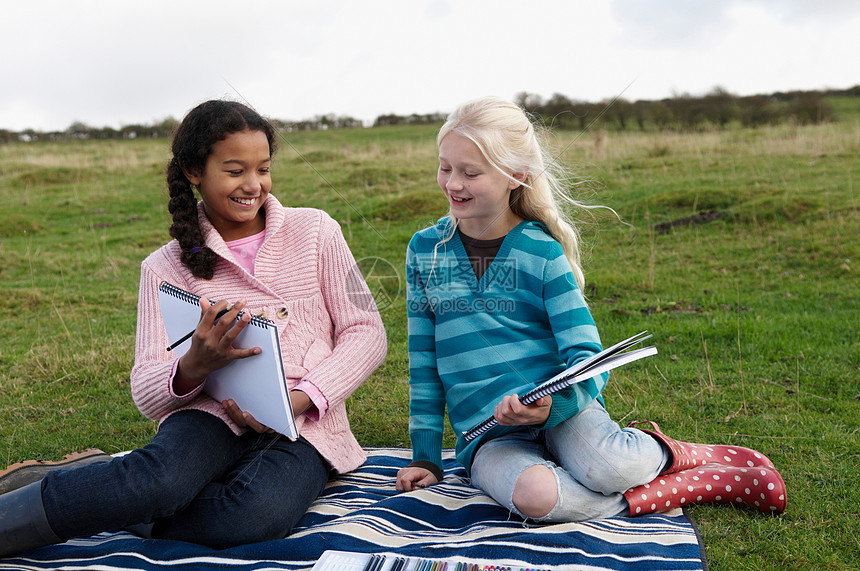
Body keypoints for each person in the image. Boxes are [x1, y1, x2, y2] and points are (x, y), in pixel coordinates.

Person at [1, 100, 387, 556]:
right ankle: (29, 511)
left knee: (254, 516)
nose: (253, 185)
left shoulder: (317, 231)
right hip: (210, 415)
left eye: (263, 169)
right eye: (234, 170)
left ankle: (110, 488)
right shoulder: (165, 266)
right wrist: (192, 367)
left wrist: (302, 398)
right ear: (192, 172)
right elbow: (146, 388)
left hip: (302, 424)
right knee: (159, 481)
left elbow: (367, 331)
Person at [394, 96, 785, 522]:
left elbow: (588, 358)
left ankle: (678, 455)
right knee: (535, 497)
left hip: (564, 413)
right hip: (488, 437)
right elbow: (424, 361)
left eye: (471, 172)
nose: (453, 183)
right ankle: (674, 490)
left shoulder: (541, 252)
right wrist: (427, 457)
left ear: (516, 176)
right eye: (445, 167)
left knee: (611, 468)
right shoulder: (425, 251)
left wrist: (552, 407)